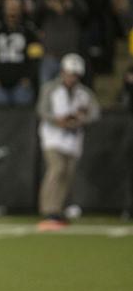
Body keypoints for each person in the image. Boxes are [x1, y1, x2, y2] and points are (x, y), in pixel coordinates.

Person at [36, 53, 100, 230]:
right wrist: (58, 121)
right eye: (69, 73)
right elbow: (42, 110)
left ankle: (57, 210)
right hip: (52, 137)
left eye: (75, 75)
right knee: (57, 169)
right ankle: (48, 210)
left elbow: (95, 113)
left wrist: (81, 119)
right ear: (63, 72)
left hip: (73, 140)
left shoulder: (84, 93)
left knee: (67, 175)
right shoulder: (50, 88)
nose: (71, 78)